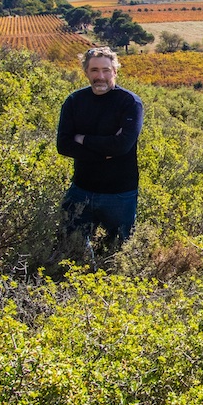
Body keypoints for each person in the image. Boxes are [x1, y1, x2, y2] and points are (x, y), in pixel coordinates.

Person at [56, 46, 144, 263]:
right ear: (85, 71)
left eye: (106, 70)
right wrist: (104, 151)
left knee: (119, 253)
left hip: (119, 194)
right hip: (81, 189)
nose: (100, 76)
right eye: (94, 70)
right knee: (72, 248)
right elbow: (64, 145)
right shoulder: (74, 101)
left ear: (115, 71)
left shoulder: (130, 103)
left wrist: (83, 139)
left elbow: (121, 146)